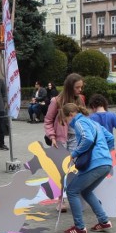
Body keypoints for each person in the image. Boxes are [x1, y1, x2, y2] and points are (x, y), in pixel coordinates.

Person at [59, 103, 114, 233]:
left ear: (70, 115)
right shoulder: (93, 123)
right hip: (106, 163)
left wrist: (75, 153)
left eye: (66, 120)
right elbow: (110, 138)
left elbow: (87, 138)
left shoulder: (79, 122)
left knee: (72, 191)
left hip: (95, 163)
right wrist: (104, 152)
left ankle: (79, 227)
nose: (68, 124)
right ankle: (103, 221)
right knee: (86, 190)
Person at [44, 73, 86, 213]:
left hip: (76, 139)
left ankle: (77, 199)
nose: (80, 90)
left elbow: (85, 119)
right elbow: (48, 120)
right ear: (69, 87)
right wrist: (52, 137)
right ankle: (60, 200)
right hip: (60, 140)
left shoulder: (80, 100)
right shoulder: (56, 101)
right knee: (61, 171)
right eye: (77, 87)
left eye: (81, 87)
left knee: (75, 170)